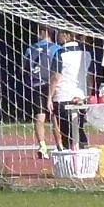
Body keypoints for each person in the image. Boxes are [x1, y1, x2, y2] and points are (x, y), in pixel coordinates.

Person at [47, 29, 92, 153]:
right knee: (79, 127)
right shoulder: (86, 54)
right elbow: (90, 77)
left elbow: (56, 77)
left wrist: (50, 96)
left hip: (63, 96)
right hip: (81, 96)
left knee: (66, 131)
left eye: (59, 34)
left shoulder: (60, 53)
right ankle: (82, 152)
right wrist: (88, 95)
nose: (57, 37)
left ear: (66, 35)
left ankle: (72, 156)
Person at [27, 25, 60, 158]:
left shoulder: (31, 48)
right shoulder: (56, 49)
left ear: (44, 32)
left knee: (40, 117)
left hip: (37, 84)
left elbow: (24, 66)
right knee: (54, 116)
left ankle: (42, 146)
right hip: (52, 85)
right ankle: (60, 146)